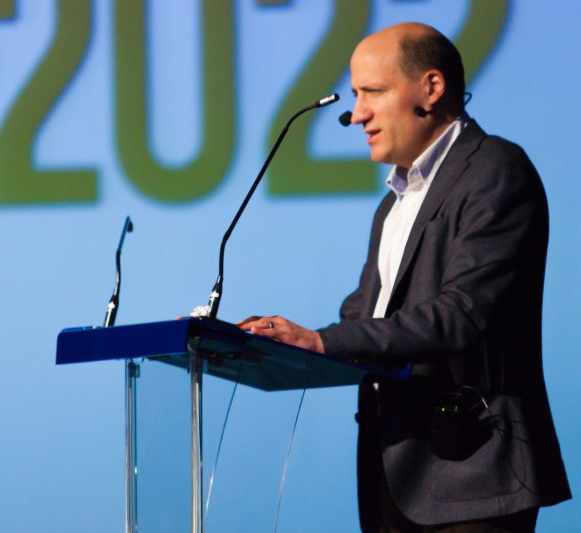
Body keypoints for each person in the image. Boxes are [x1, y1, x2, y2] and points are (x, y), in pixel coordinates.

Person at [237, 22, 571, 531]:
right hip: (393, 473)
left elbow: (460, 315)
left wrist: (321, 341)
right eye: (355, 95)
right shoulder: (392, 204)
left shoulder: (495, 171)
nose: (357, 114)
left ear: (432, 89)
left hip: (471, 473)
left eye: (372, 91)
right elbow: (365, 317)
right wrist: (263, 340)